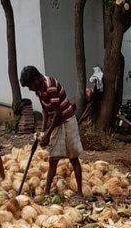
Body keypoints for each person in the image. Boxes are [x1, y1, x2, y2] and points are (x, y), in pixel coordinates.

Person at [19, 65, 84, 197]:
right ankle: (47, 192)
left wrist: (48, 133)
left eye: (30, 85)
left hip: (67, 120)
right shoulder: (39, 89)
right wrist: (42, 132)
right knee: (53, 158)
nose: (30, 89)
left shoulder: (50, 86)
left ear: (36, 79)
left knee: (73, 157)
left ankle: (80, 193)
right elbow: (45, 111)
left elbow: (58, 112)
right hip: (56, 122)